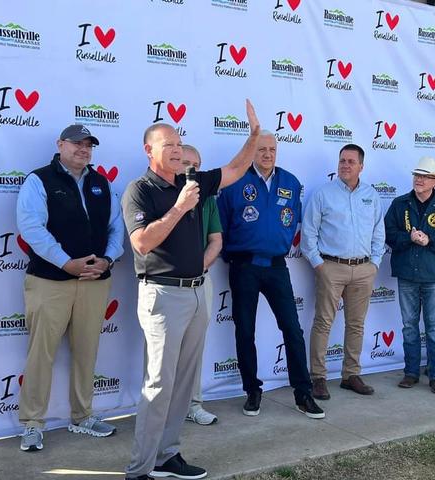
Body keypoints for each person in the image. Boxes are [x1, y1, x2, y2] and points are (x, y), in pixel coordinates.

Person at [121, 100, 260, 480]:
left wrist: (252, 137)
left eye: (180, 143)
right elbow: (143, 243)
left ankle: (168, 455)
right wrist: (180, 208)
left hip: (197, 292)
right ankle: (139, 470)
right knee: (159, 384)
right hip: (162, 296)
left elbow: (234, 169)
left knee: (183, 384)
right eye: (169, 145)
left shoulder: (193, 182)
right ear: (149, 151)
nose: (178, 150)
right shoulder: (139, 190)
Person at [16, 124, 124, 452]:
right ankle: (32, 424)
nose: (83, 149)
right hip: (50, 281)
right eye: (77, 143)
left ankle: (82, 417)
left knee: (87, 351)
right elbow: (31, 227)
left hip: (94, 282)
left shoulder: (101, 183)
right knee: (41, 353)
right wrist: (66, 262)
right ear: (60, 143)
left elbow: (116, 227)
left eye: (89, 144)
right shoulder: (39, 180)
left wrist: (107, 259)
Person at [217, 131, 324, 419]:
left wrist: (278, 243)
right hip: (244, 267)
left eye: (272, 149)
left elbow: (292, 222)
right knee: (245, 330)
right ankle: (252, 390)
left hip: (277, 266)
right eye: (261, 149)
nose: (267, 154)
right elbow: (221, 224)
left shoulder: (290, 182)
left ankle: (303, 393)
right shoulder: (234, 180)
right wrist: (234, 255)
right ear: (252, 151)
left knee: (292, 329)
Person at [301, 144, 385, 400]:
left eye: (351, 161)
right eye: (342, 161)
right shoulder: (323, 194)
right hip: (331, 268)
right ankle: (318, 378)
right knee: (324, 323)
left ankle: (351, 375)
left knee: (356, 325)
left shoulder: (371, 195)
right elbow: (308, 234)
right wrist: (320, 266)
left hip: (363, 269)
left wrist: (375, 264)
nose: (345, 165)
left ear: (361, 166)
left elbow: (378, 232)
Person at [385, 156, 435, 394]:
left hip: (434, 276)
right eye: (417, 175)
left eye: (424, 176)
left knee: (434, 328)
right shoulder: (400, 204)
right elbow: (388, 233)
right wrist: (408, 238)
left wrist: (431, 240)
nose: (419, 180)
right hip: (407, 274)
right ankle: (411, 372)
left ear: (434, 181)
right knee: (409, 326)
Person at [178, 145, 222, 426]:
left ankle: (193, 404)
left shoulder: (207, 197)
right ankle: (160, 410)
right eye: (185, 162)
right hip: (165, 285)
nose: (191, 169)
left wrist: (199, 267)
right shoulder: (158, 193)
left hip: (200, 280)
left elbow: (216, 240)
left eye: (197, 164)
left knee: (195, 347)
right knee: (161, 353)